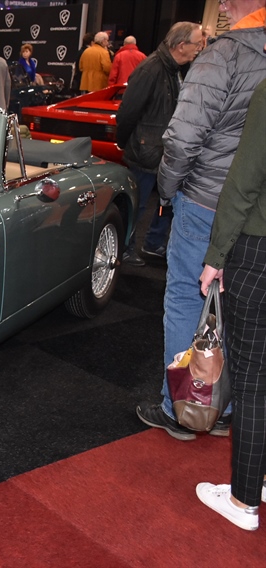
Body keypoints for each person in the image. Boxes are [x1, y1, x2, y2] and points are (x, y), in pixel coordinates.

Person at [137, 0, 266, 441]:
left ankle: (183, 409)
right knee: (239, 305)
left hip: (207, 200)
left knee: (187, 299)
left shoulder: (223, 54)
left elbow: (183, 137)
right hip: (255, 210)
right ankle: (225, 406)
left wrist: (168, 191)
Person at [196, 77, 266, 532]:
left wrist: (216, 255)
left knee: (253, 380)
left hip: (258, 250)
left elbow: (244, 181)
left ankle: (243, 501)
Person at [115, 22, 202, 267]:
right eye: (197, 44)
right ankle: (124, 248)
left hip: (163, 150)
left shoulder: (174, 69)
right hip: (146, 150)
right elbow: (127, 112)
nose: (199, 48)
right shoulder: (151, 69)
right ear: (181, 45)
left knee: (165, 201)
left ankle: (152, 243)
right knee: (137, 203)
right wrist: (124, 143)